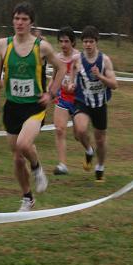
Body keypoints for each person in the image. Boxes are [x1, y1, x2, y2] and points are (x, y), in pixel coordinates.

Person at [0, 2, 64, 212]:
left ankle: (38, 168)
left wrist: (51, 93)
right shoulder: (3, 44)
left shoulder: (43, 46)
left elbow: (62, 67)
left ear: (31, 22)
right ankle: (27, 198)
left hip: (34, 106)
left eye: (24, 19)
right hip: (12, 107)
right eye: (16, 18)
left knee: (23, 144)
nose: (19, 23)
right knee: (17, 158)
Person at [68, 26, 118, 182]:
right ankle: (89, 151)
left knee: (100, 140)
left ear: (96, 42)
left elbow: (114, 84)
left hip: (99, 103)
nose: (88, 45)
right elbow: (72, 71)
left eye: (91, 41)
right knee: (81, 131)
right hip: (83, 100)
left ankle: (100, 167)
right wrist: (71, 83)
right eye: (85, 42)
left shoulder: (104, 60)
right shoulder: (77, 59)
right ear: (82, 43)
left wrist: (100, 76)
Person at [50, 26, 81, 175]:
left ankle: (89, 149)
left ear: (73, 42)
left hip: (78, 99)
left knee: (78, 134)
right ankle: (63, 165)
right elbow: (54, 76)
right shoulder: (57, 58)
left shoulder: (79, 57)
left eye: (66, 41)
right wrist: (50, 91)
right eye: (61, 41)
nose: (63, 44)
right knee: (59, 129)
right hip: (62, 97)